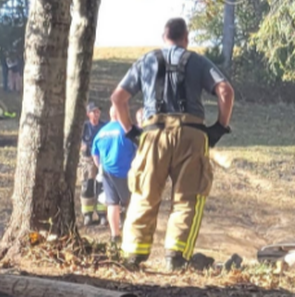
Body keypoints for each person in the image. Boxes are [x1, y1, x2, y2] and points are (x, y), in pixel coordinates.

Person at [112, 17, 235, 271]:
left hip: (153, 132)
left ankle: (133, 256)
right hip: (192, 134)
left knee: (144, 194)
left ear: (163, 36)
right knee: (187, 198)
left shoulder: (146, 61)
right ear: (186, 38)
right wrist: (220, 126)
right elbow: (225, 91)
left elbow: (118, 98)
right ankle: (175, 258)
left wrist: (131, 131)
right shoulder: (198, 61)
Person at [91, 105, 140, 247]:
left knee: (112, 204)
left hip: (107, 173)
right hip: (126, 172)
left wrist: (100, 166)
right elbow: (138, 150)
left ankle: (115, 235)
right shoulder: (127, 131)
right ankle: (130, 233)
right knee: (130, 203)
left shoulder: (101, 132)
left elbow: (95, 153)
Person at [80, 102, 108, 226]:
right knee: (87, 187)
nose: (97, 114)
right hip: (87, 161)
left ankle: (102, 214)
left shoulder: (104, 126)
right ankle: (88, 215)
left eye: (98, 112)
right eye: (94, 112)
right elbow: (79, 141)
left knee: (102, 187)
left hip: (102, 160)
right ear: (88, 114)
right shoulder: (84, 127)